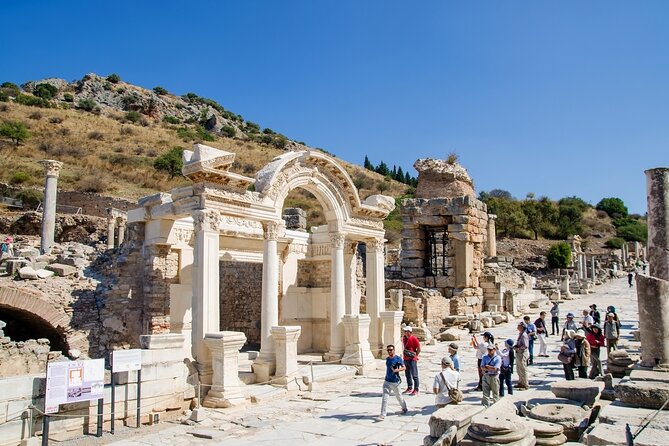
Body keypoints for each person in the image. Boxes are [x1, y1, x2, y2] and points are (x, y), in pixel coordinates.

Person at [378, 344, 408, 421]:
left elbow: (404, 367)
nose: (389, 351)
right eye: (388, 350)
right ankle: (383, 414)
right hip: (387, 381)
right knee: (385, 398)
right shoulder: (387, 359)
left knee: (399, 397)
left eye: (391, 350)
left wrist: (397, 370)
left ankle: (404, 408)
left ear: (394, 350)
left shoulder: (398, 358)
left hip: (395, 382)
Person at [401, 326, 421, 395]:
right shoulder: (404, 338)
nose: (405, 333)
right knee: (407, 375)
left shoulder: (414, 338)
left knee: (414, 375)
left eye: (406, 331)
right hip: (406, 358)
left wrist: (416, 355)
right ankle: (409, 387)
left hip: (412, 359)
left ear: (410, 332)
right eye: (405, 331)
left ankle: (416, 389)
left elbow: (418, 348)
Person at [513, 323, 529, 390]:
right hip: (518, 353)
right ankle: (521, 382)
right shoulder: (520, 334)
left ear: (522, 327)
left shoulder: (524, 335)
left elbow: (525, 346)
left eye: (518, 326)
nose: (517, 326)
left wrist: (518, 348)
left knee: (523, 368)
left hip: (522, 353)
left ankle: (525, 384)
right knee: (518, 368)